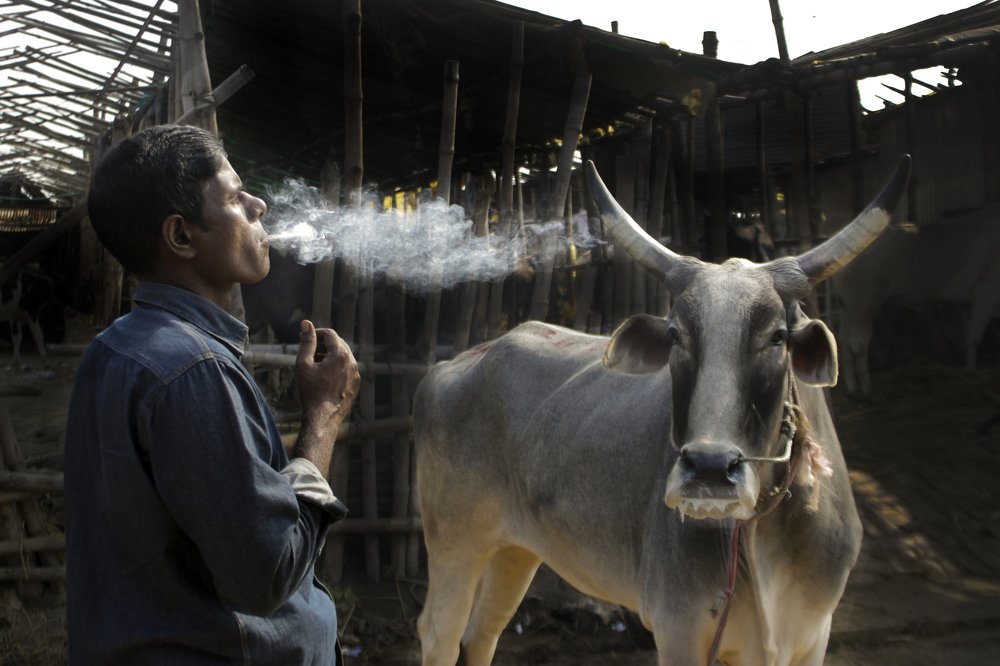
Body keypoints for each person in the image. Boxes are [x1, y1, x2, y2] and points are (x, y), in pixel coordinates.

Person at [64, 124, 360, 665]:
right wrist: (324, 417)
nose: (260, 205)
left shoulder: (113, 350)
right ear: (180, 237)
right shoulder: (192, 370)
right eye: (233, 197)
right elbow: (266, 574)